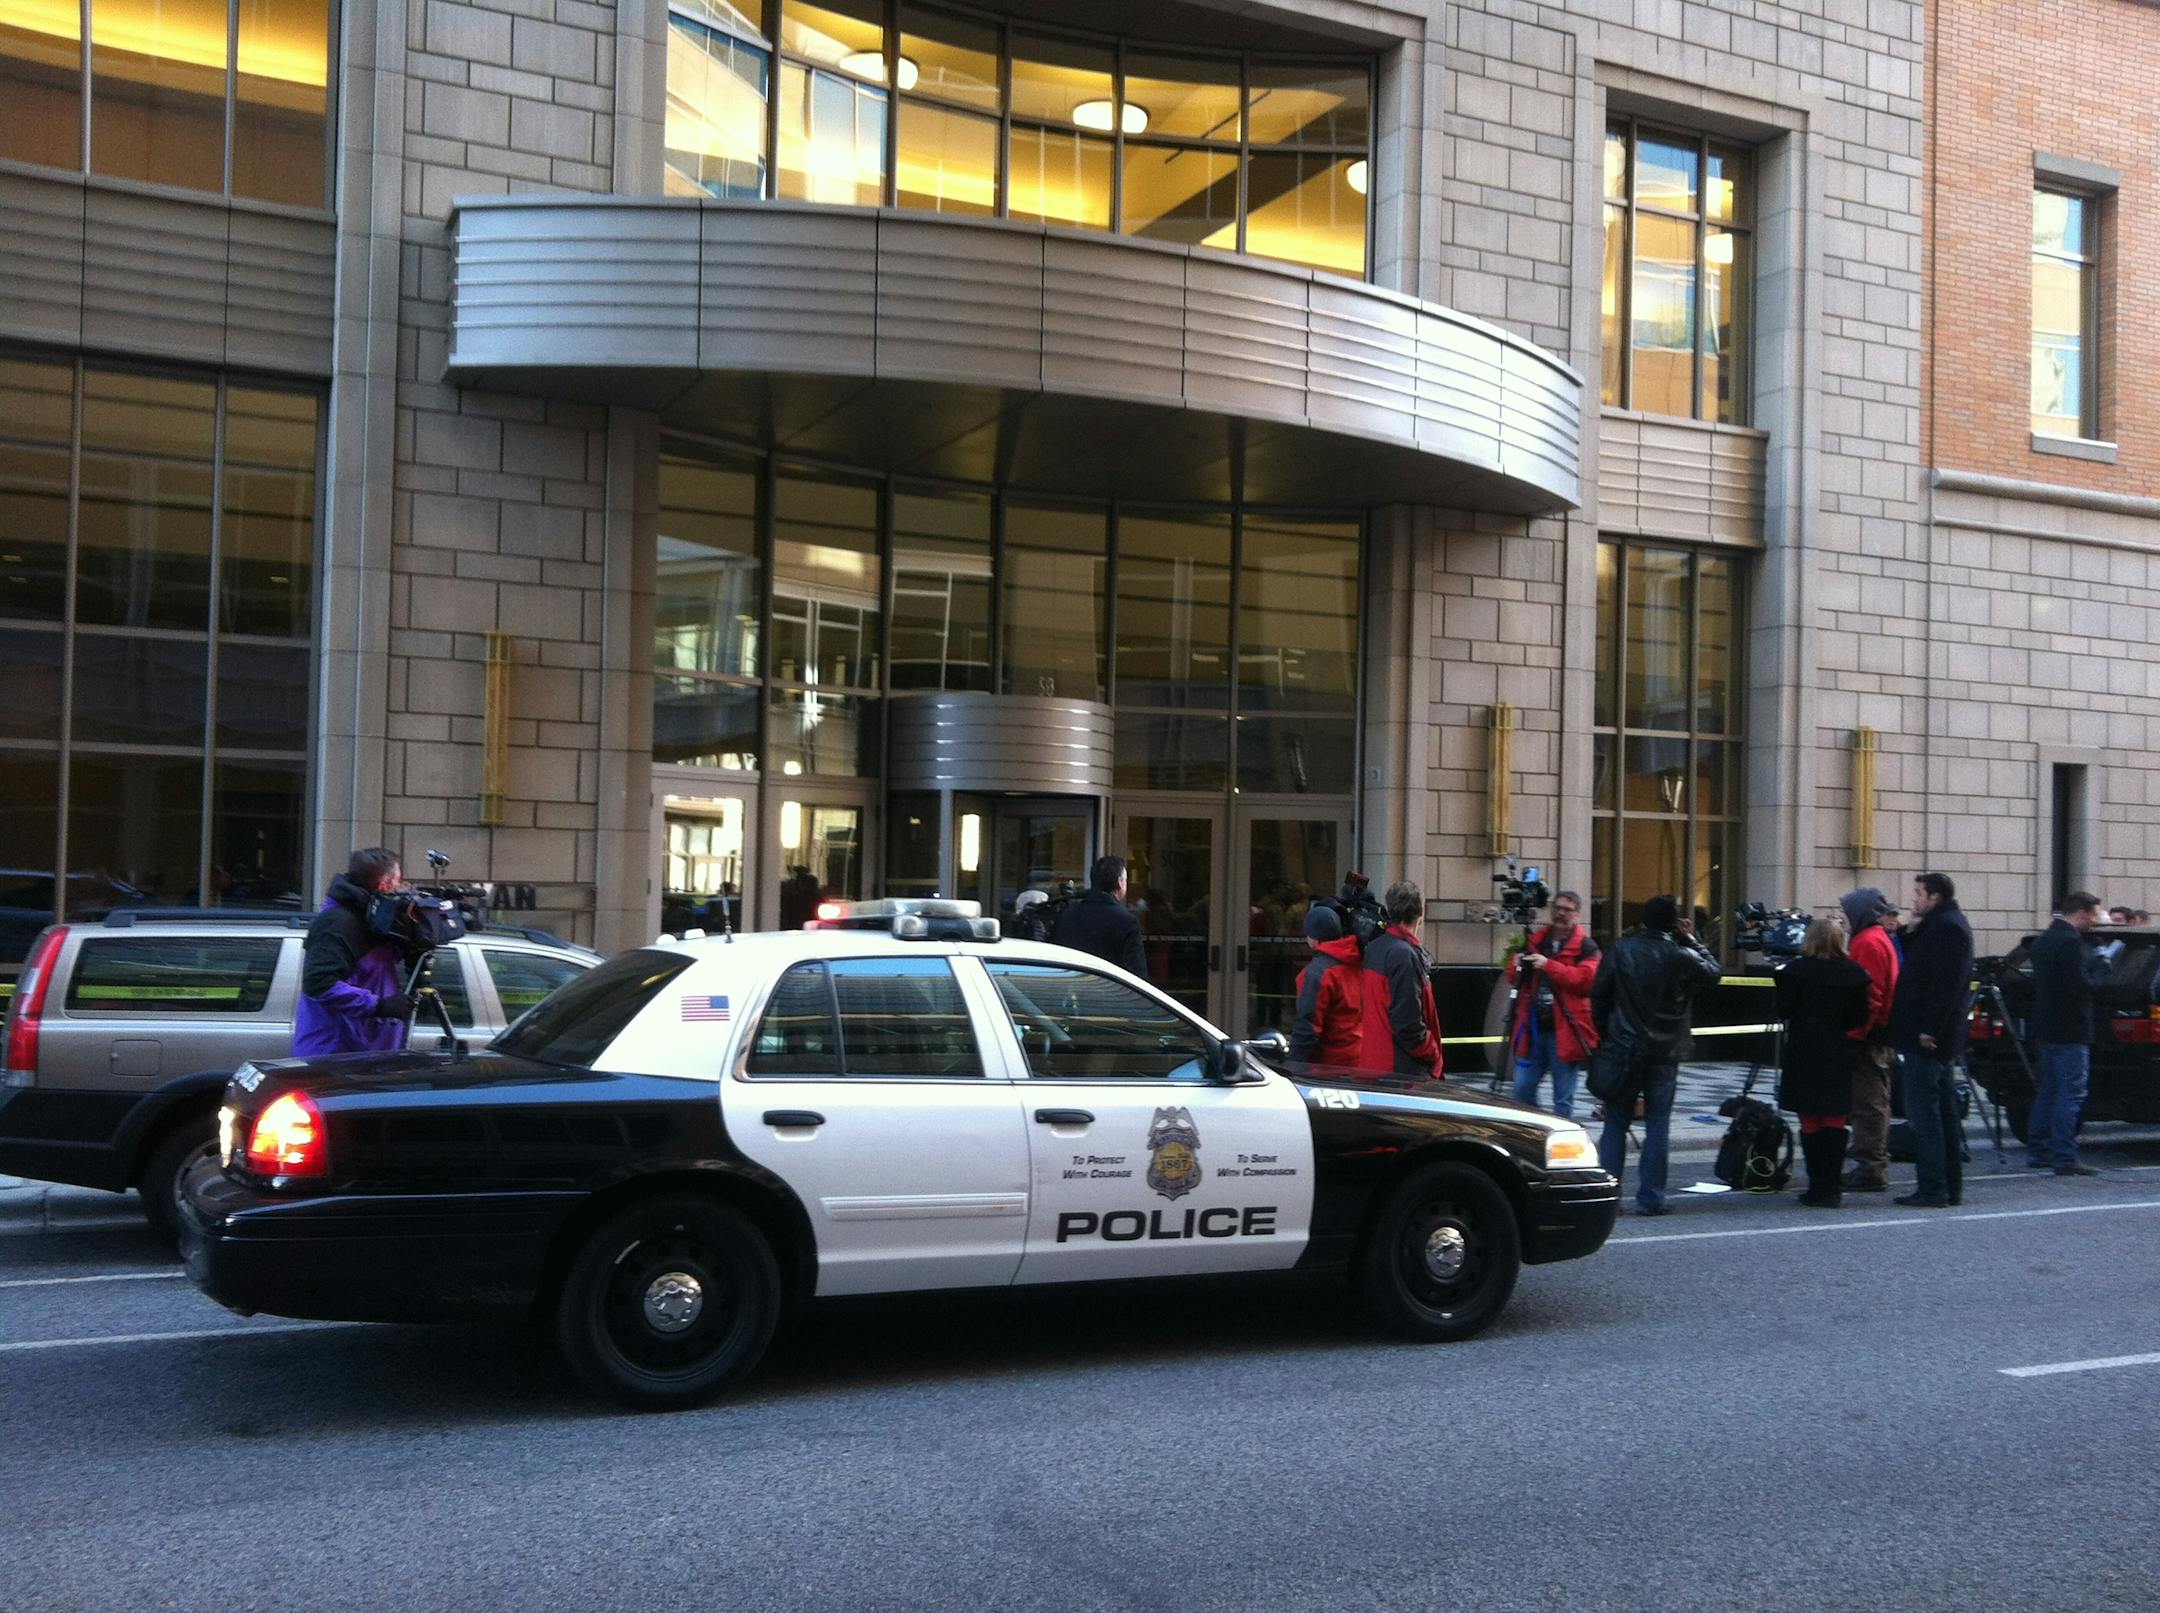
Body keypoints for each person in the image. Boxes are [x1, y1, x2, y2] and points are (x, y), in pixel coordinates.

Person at [1590, 893, 1722, 1216]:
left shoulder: (1622, 949)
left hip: (1624, 1046)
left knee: (1615, 1123)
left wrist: (1609, 1034)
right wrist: (1691, 938)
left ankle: (1609, 1197)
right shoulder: (1680, 953)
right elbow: (1714, 972)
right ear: (1674, 924)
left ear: (1644, 921)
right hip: (1665, 1051)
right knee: (1658, 1124)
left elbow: (1599, 996)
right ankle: (1651, 1197)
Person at [1887, 871, 1975, 1209]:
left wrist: (1930, 1028)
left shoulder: (1949, 927)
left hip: (1929, 1037)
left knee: (1927, 1115)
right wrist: (1910, 932)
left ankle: (1935, 1187)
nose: (1914, 899)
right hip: (1930, 1033)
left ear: (1934, 897)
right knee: (1941, 1113)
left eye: (1919, 893)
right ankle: (1945, 1187)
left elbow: (1946, 986)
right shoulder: (1938, 925)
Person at [1774, 917, 1873, 1206]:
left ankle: (1816, 1183)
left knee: (1809, 1118)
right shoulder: (1854, 973)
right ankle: (1832, 1186)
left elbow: (1783, 1010)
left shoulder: (1796, 972)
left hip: (1805, 1047)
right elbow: (1859, 1017)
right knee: (1834, 1118)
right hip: (1837, 1048)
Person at [293, 847, 414, 1057]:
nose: (400, 888)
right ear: (384, 883)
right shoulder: (338, 924)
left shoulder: (370, 919)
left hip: (362, 1052)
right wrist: (379, 1005)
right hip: (334, 1055)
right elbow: (319, 984)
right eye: (398, 881)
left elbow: (373, 968)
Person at [2026, 890, 2109, 1177]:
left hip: (2046, 1025)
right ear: (2083, 913)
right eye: (2094, 914)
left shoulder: (2045, 939)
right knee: (2071, 1093)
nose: (2096, 921)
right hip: (2071, 1027)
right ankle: (2064, 1154)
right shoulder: (2071, 942)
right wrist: (2101, 970)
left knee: (2048, 1089)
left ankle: (2039, 1148)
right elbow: (2080, 987)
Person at [1505, 890, 1600, 1118]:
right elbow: (1514, 979)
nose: (1560, 913)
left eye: (1567, 909)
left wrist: (1549, 965)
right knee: (1521, 1090)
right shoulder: (1536, 941)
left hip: (1566, 1030)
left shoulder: (1586, 947)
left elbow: (1586, 981)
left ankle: (1560, 1140)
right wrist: (1516, 965)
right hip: (1533, 1027)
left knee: (1563, 1098)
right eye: (1557, 908)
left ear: (1577, 914)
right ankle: (1536, 1130)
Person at [1840, 887, 1902, 1193]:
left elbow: (1870, 996)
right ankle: (1871, 1162)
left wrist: (1855, 1034)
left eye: (1846, 911)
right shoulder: (1878, 939)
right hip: (1878, 1033)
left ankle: (1871, 1166)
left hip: (1869, 1035)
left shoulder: (1867, 942)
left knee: (1869, 1102)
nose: (1843, 918)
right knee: (1873, 1100)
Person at [1358, 882, 1444, 1078]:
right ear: (1422, 911)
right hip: (1401, 1072)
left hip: (1375, 1064)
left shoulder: (1375, 948)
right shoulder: (1403, 955)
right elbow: (1408, 1024)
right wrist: (1433, 1053)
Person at [1287, 903, 1364, 1069]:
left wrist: (1292, 1065)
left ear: (1313, 938)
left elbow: (1307, 1026)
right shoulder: (1356, 961)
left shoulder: (1317, 973)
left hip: (1328, 1065)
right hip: (1358, 1057)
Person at [1053, 855, 1148, 978]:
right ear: (1120, 882)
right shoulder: (1126, 921)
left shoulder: (1068, 914)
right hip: (1109, 992)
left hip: (1070, 988)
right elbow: (1137, 974)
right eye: (1125, 880)